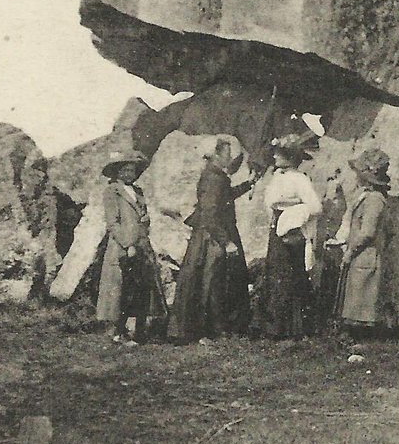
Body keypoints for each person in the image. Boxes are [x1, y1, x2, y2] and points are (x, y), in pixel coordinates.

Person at [171, 137, 261, 345]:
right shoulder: (213, 178)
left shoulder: (216, 175)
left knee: (215, 282)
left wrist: (248, 184)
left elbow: (226, 197)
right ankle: (208, 332)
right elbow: (210, 213)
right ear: (216, 154)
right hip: (211, 237)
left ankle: (214, 330)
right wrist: (225, 241)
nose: (230, 158)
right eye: (227, 154)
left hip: (213, 233)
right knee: (210, 283)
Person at [253, 134, 322, 339]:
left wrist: (292, 217)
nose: (274, 156)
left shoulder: (299, 179)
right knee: (275, 275)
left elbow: (315, 207)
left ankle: (294, 329)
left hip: (291, 234)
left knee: (291, 277)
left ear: (290, 157)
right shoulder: (277, 176)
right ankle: (274, 327)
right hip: (276, 231)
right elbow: (270, 203)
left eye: (279, 153)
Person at [96, 150, 166, 346]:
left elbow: (143, 217)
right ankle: (119, 332)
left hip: (142, 246)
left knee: (141, 289)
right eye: (126, 170)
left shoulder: (138, 192)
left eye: (133, 170)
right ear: (117, 172)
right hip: (123, 247)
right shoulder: (112, 192)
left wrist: (145, 221)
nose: (130, 173)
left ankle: (139, 331)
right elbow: (113, 223)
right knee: (122, 290)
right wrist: (128, 244)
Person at [333, 148, 399, 340]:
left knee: (363, 297)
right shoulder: (366, 196)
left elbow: (368, 232)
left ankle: (363, 338)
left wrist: (351, 251)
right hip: (361, 255)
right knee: (357, 295)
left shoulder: (374, 200)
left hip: (366, 254)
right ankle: (354, 336)